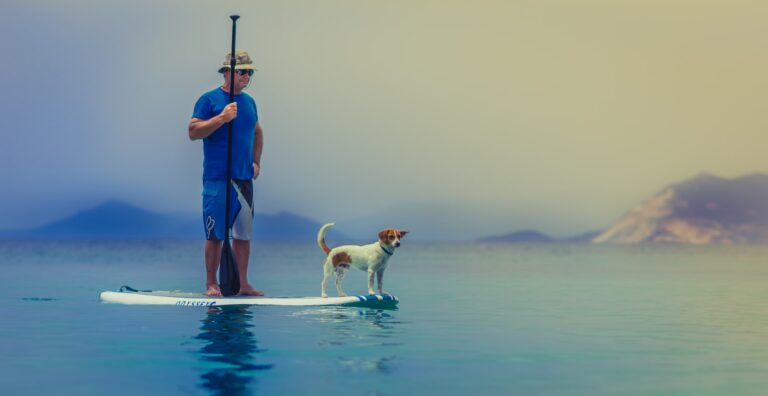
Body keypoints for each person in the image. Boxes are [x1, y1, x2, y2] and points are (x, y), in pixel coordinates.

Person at [188, 50, 264, 296]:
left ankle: (242, 284)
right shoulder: (208, 100)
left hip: (244, 179)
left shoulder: (249, 102)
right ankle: (211, 283)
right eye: (242, 72)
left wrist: (256, 161)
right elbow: (193, 131)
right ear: (227, 72)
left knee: (243, 235)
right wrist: (222, 118)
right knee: (215, 234)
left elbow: (257, 132)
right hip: (217, 178)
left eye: (250, 73)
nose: (247, 77)